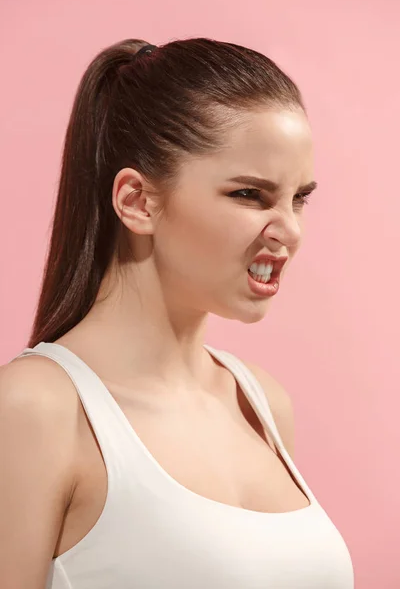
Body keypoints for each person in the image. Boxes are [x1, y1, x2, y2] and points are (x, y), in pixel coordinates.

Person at [0, 38, 354, 588]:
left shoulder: (260, 403)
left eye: (298, 198)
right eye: (249, 195)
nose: (290, 231)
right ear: (137, 201)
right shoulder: (37, 410)